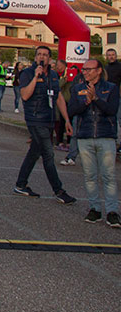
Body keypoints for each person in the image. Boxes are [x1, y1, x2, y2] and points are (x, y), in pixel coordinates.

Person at [13, 46, 77, 204]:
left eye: (45, 55)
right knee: (48, 154)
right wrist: (36, 77)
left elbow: (58, 97)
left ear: (50, 58)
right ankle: (58, 190)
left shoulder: (53, 75)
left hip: (49, 119)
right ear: (35, 57)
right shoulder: (28, 73)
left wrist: (67, 120)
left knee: (34, 152)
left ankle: (20, 184)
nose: (42, 57)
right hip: (35, 119)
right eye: (39, 54)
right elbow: (25, 95)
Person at [67, 59, 120, 227]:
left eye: (89, 69)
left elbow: (112, 110)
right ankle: (94, 208)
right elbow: (71, 110)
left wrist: (96, 98)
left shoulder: (111, 88)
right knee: (90, 176)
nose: (85, 72)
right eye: (84, 69)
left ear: (98, 70)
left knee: (108, 176)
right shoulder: (77, 89)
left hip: (105, 135)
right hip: (85, 135)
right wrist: (86, 102)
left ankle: (112, 211)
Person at [60, 64, 81, 166]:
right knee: (75, 134)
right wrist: (66, 79)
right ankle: (71, 156)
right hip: (77, 109)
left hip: (91, 113)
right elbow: (72, 90)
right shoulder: (78, 80)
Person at [104, 48, 121, 152]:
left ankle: (118, 143)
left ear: (116, 56)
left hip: (117, 97)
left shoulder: (120, 67)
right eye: (109, 55)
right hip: (106, 97)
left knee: (118, 120)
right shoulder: (105, 68)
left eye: (113, 55)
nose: (111, 57)